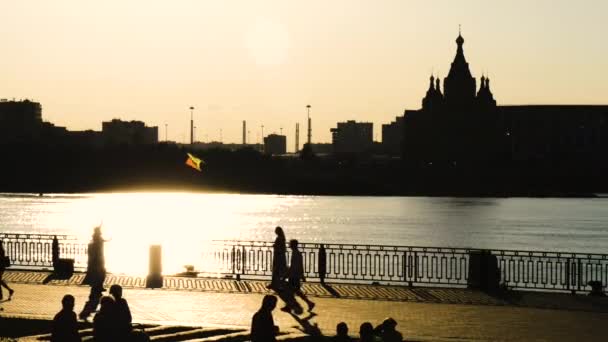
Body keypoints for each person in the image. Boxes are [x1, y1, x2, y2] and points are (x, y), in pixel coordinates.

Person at [79, 226, 107, 321]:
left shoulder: (97, 239)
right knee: (99, 274)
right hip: (97, 261)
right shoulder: (96, 240)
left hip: (99, 260)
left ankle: (98, 288)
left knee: (101, 274)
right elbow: (95, 249)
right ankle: (97, 288)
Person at [284, 239, 315, 312]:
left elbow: (294, 266)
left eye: (290, 244)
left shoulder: (295, 254)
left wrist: (286, 275)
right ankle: (309, 303)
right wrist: (302, 275)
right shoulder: (297, 253)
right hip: (295, 276)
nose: (289, 245)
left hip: (294, 276)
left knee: (290, 291)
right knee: (296, 292)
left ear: (293, 245)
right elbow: (300, 266)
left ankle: (289, 306)